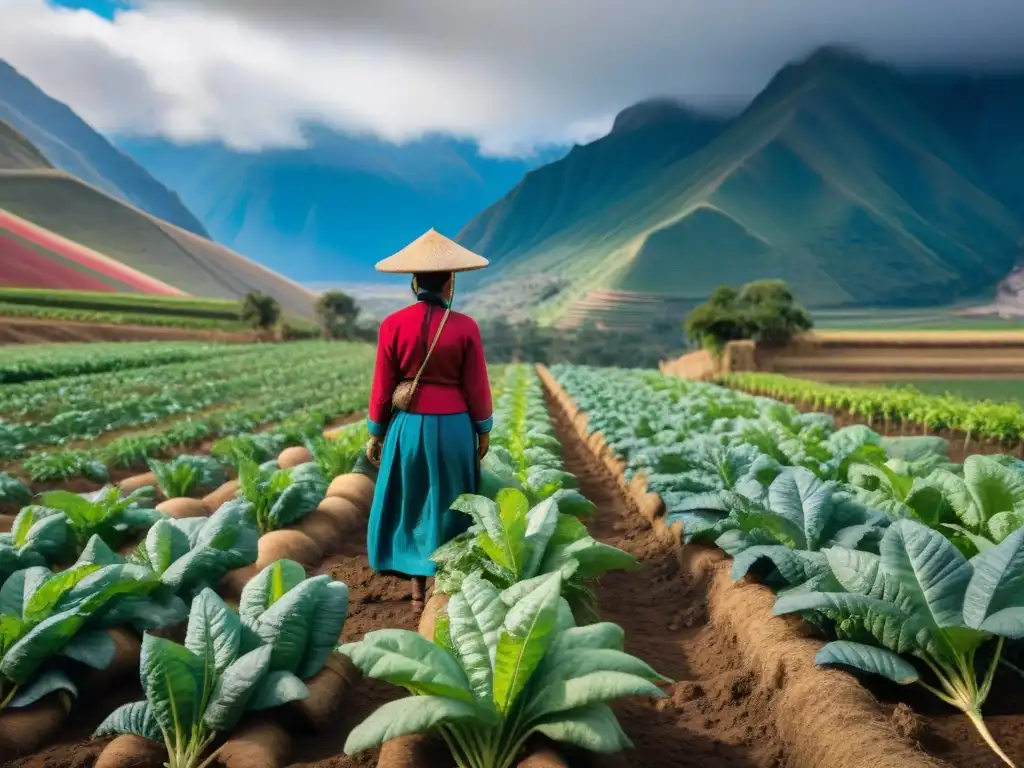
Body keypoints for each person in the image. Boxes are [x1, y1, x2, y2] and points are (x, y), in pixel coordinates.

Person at [364, 229, 493, 615]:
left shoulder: (392, 325)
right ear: (450, 281)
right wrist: (483, 430)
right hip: (454, 426)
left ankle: (417, 591)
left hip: (408, 428)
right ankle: (446, 587)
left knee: (412, 500)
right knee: (449, 502)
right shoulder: (465, 326)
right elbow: (477, 386)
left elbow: (383, 387)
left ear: (414, 282)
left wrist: (376, 432)